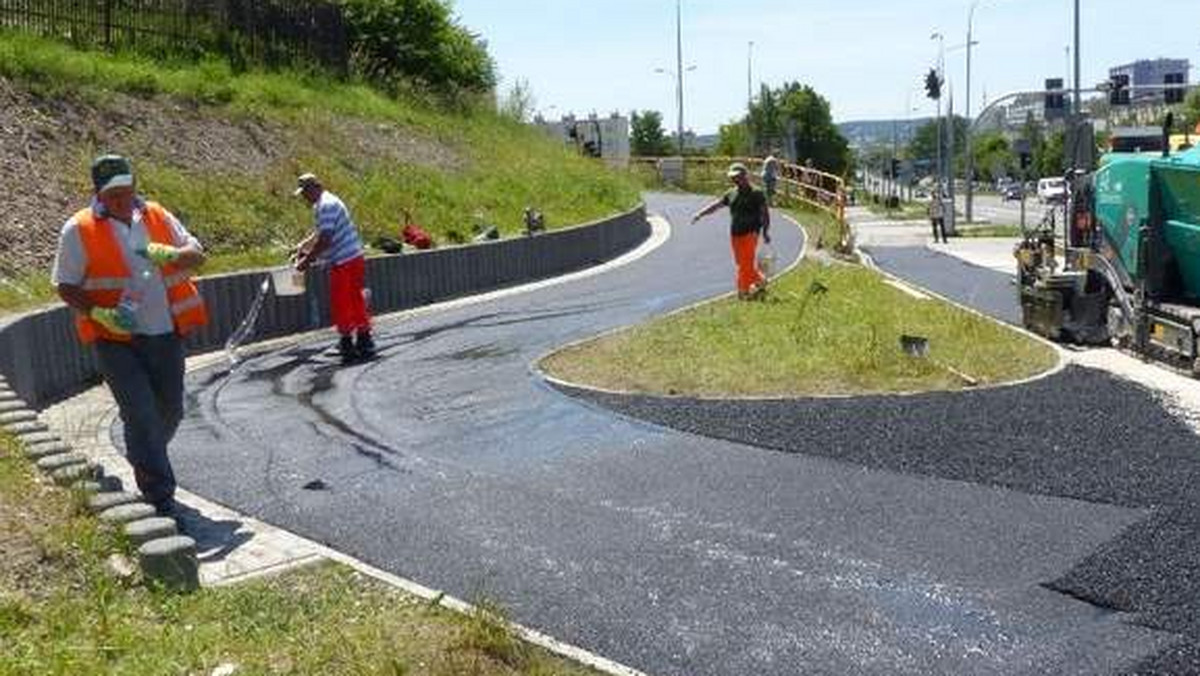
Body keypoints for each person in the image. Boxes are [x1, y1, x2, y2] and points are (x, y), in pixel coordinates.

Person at [52, 154, 208, 516]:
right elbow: (65, 285)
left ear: (134, 184)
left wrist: (171, 254)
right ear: (97, 194)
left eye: (126, 189)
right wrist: (98, 313)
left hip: (165, 332)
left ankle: (143, 451)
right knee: (141, 413)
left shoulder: (155, 215)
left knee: (169, 410)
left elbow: (196, 256)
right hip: (115, 339)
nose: (122, 199)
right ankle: (160, 497)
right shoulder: (79, 229)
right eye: (112, 194)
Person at [292, 173, 374, 363]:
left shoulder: (326, 205)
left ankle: (347, 343)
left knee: (341, 302)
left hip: (344, 261)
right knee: (355, 300)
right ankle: (364, 340)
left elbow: (325, 240)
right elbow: (321, 233)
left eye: (304, 193)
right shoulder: (326, 202)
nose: (304, 197)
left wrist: (306, 261)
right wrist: (304, 245)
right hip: (353, 257)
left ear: (314, 188)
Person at [690, 162, 772, 300]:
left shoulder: (757, 193)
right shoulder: (731, 193)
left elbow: (765, 213)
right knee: (742, 263)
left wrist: (765, 232)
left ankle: (743, 291)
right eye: (733, 177)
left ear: (745, 176)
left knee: (745, 264)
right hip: (735, 233)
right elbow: (717, 205)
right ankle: (760, 280)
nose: (735, 180)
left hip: (751, 232)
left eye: (738, 177)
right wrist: (700, 214)